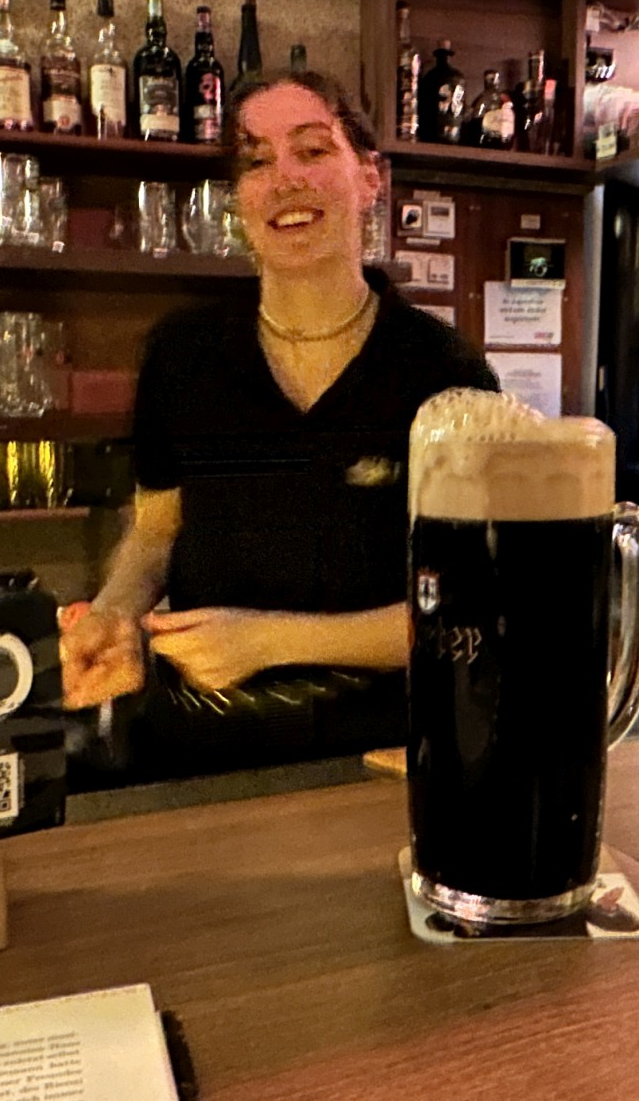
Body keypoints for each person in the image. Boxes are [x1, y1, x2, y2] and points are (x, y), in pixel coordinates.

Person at [61, 71, 498, 773]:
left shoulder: (444, 372)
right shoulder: (181, 354)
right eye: (257, 161)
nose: (285, 179)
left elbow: (463, 612)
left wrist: (267, 641)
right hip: (196, 750)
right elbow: (156, 530)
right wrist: (114, 612)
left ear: (371, 178)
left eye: (312, 150)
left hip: (381, 754)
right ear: (238, 199)